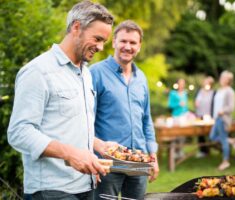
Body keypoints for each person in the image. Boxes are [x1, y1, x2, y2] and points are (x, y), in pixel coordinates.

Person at [7, 1, 116, 199]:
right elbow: (19, 132)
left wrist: (97, 145)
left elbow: (66, 126)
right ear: (76, 27)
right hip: (52, 190)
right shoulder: (38, 71)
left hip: (86, 183)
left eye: (104, 42)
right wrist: (70, 154)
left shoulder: (86, 73)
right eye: (97, 39)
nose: (100, 47)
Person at [90, 20, 159, 200]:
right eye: (123, 41)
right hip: (107, 163)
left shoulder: (141, 78)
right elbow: (86, 118)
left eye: (133, 42)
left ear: (139, 46)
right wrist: (90, 156)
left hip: (139, 162)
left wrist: (153, 155)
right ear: (113, 42)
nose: (127, 47)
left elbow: (146, 119)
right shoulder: (95, 73)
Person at [209, 70, 235, 170]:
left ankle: (225, 161)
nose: (221, 79)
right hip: (216, 118)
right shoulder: (220, 90)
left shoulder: (230, 91)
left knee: (223, 139)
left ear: (228, 80)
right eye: (221, 77)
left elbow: (231, 107)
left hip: (223, 118)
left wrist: (222, 111)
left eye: (223, 77)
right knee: (212, 137)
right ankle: (231, 141)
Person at [194, 76, 216, 158]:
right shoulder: (199, 91)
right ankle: (203, 151)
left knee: (210, 133)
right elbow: (196, 101)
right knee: (200, 134)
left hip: (210, 116)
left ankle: (209, 149)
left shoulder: (213, 92)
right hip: (200, 115)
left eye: (209, 83)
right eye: (206, 82)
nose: (207, 84)